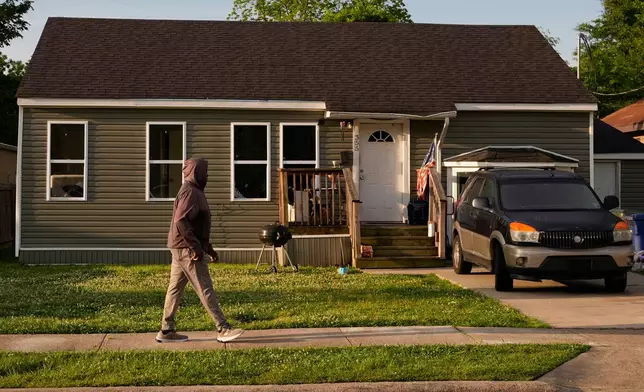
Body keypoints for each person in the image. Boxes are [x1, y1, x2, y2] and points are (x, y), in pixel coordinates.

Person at [156, 157, 244, 343]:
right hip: (187, 249)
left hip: (180, 247)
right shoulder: (190, 193)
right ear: (195, 172)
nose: (207, 176)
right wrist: (195, 247)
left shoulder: (192, 191)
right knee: (205, 287)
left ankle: (166, 330)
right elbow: (181, 221)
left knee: (175, 289)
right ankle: (223, 328)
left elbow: (197, 225)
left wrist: (208, 248)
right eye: (204, 172)